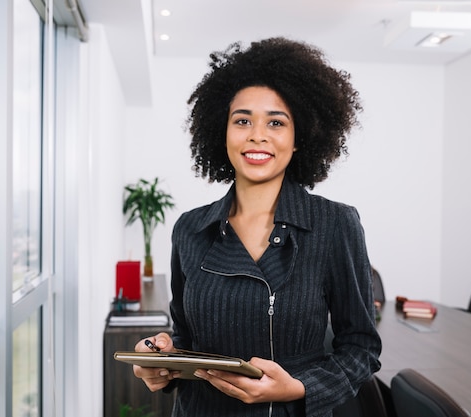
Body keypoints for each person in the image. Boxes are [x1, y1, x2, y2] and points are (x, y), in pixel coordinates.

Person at [132, 37, 382, 417]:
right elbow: (185, 337)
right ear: (223, 130)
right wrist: (162, 359)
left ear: (300, 138)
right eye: (243, 120)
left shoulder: (335, 225)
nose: (257, 135)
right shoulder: (191, 228)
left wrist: (298, 388)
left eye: (276, 122)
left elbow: (361, 349)